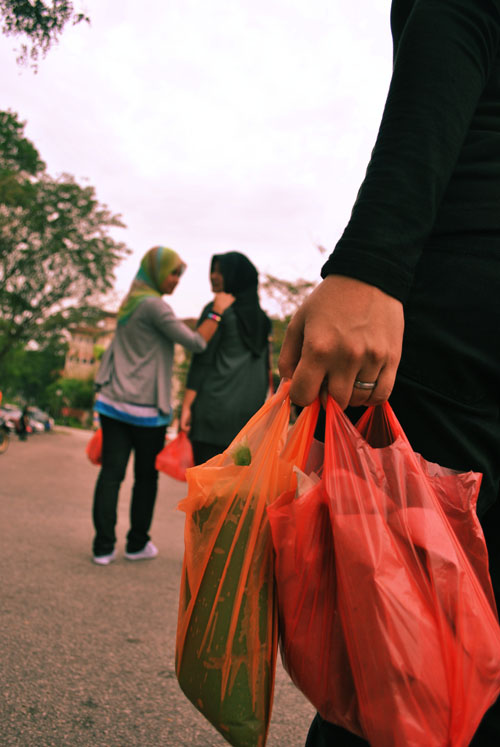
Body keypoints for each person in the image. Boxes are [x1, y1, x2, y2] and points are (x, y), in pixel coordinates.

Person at [278, 0, 500, 744]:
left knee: (411, 651)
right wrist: (373, 268)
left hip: (461, 332)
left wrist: (373, 265)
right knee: (426, 653)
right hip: (468, 340)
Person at [91, 245, 234, 566]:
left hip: (113, 403)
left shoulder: (131, 302)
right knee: (145, 478)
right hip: (144, 411)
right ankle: (136, 544)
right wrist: (217, 310)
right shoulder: (155, 307)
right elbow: (196, 342)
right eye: (173, 273)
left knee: (111, 475)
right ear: (157, 273)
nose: (176, 281)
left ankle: (102, 547)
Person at [180, 251, 271, 464]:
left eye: (221, 271)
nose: (213, 275)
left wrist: (186, 406)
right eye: (213, 270)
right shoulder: (263, 320)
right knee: (233, 491)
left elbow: (202, 361)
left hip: (212, 414)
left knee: (206, 490)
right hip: (248, 420)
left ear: (236, 276)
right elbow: (266, 370)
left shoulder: (218, 312)